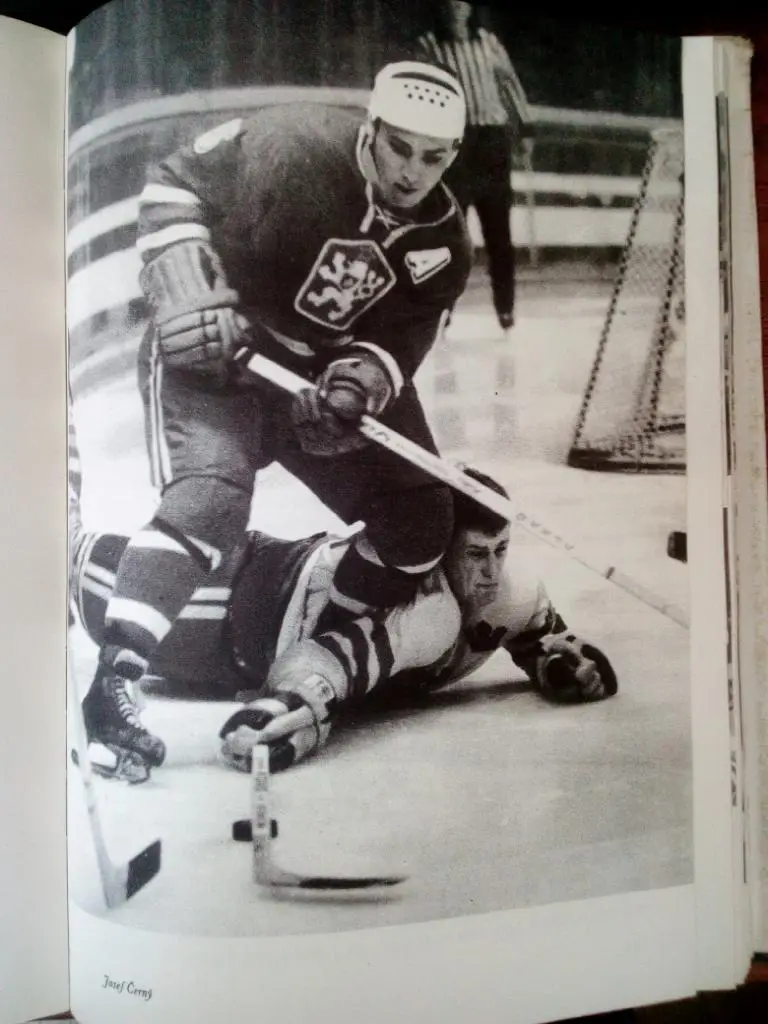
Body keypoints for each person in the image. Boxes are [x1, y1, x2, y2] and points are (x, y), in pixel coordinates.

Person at [78, 60, 476, 778]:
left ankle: (312, 652)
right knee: (210, 501)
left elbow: (400, 340)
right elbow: (173, 183)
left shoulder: (444, 240)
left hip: (312, 380)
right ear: (372, 129)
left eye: (434, 157)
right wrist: (187, 284)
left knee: (420, 516)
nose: (412, 172)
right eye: (400, 148)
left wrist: (358, 382)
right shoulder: (291, 145)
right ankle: (114, 685)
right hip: (218, 357)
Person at [70, 467, 617, 783]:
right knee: (71, 568)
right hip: (231, 606)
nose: (492, 573)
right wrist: (295, 709)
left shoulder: (513, 592)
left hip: (260, 599)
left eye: (500, 550)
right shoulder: (428, 612)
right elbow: (324, 661)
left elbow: (541, 636)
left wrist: (562, 665)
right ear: (439, 551)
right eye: (475, 554)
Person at [415, 1, 531, 334]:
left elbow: (510, 85)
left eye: (461, 3)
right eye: (449, 3)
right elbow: (422, 93)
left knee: (499, 232)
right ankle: (442, 311)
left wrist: (525, 129)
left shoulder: (488, 42)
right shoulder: (429, 45)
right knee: (451, 231)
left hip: (492, 143)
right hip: (457, 144)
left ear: (469, 8)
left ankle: (506, 310)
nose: (456, 7)